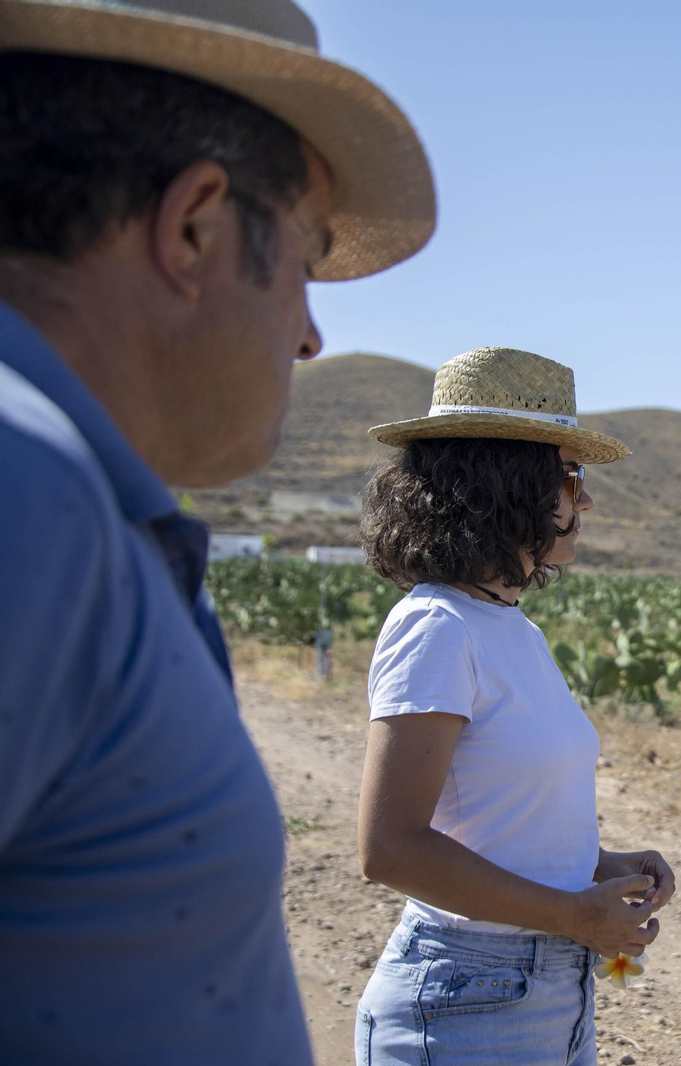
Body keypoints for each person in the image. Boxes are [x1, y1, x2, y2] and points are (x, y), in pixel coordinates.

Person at [0, 0, 434, 1061]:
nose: (310, 333)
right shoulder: (28, 488)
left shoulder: (71, 501)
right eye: (303, 258)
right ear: (194, 225)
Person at [354, 346, 676, 1066]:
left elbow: (493, 823)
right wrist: (574, 916)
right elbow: (390, 847)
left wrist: (601, 865)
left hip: (542, 993)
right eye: (571, 475)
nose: (584, 500)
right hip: (467, 999)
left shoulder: (508, 627)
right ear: (509, 484)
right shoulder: (437, 625)